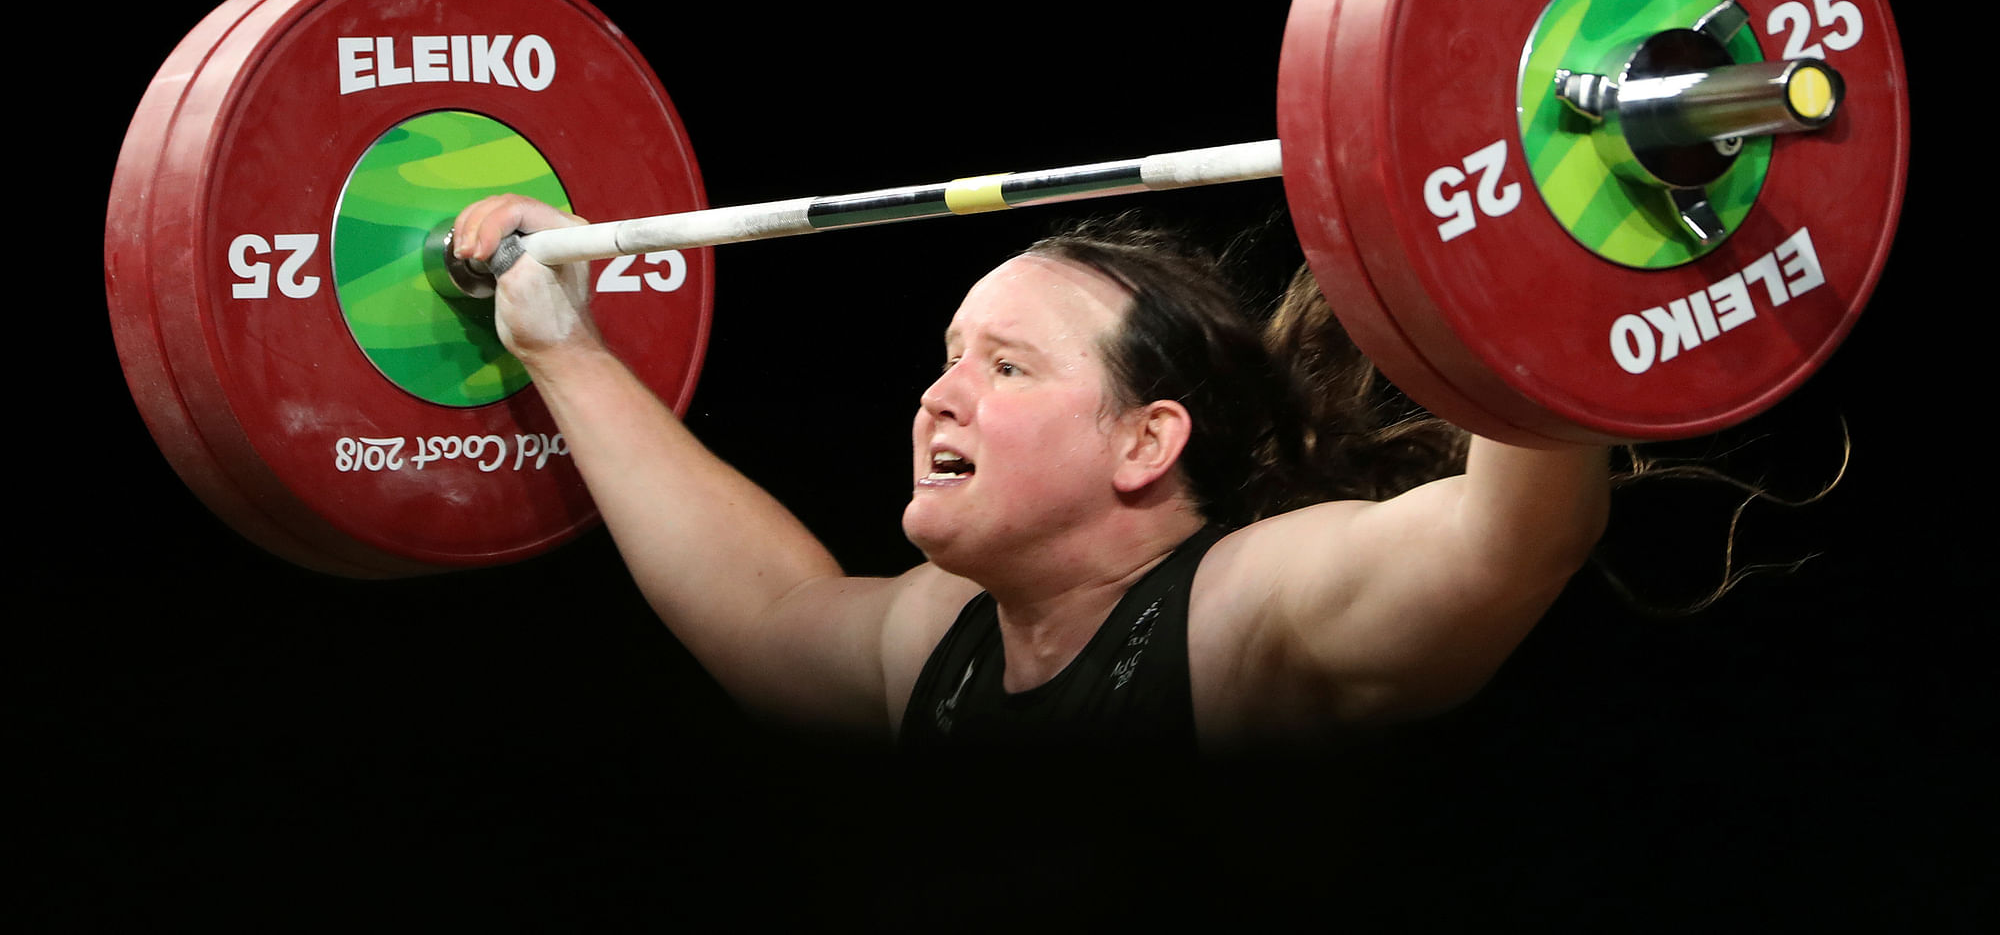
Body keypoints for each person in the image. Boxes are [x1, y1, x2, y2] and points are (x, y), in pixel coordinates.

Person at [451, 196, 1610, 750]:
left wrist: (1557, 238)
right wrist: (561, 347)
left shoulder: (1243, 613)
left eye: (1006, 367)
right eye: (948, 358)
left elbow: (1505, 538)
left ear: (1143, 445)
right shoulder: (940, 641)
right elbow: (765, 614)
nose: (939, 396)